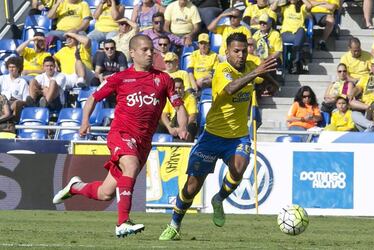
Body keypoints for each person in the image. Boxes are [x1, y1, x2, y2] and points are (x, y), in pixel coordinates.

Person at [52, 34, 189, 238]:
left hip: (143, 142)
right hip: (121, 134)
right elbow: (92, 98)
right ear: (132, 53)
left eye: (152, 49)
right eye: (145, 49)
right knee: (131, 165)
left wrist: (182, 127)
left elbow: (179, 106)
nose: (150, 53)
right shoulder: (120, 78)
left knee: (105, 193)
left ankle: (76, 187)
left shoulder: (163, 79)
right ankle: (122, 222)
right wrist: (85, 121)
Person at [158, 33, 277, 240]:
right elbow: (231, 88)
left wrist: (267, 77)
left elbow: (272, 85)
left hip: (238, 136)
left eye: (243, 51)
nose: (240, 55)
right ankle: (175, 223)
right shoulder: (223, 70)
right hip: (212, 136)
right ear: (227, 52)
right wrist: (256, 72)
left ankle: (219, 199)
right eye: (236, 51)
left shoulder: (250, 66)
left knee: (239, 168)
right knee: (192, 187)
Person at [275, 0, 312, 74]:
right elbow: (273, 8)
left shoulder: (302, 7)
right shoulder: (285, 7)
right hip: (286, 33)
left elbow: (309, 6)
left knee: (301, 30)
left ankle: (292, 63)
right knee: (298, 42)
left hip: (299, 33)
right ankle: (295, 62)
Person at [160, 77, 198, 141]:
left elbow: (193, 116)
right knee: (159, 125)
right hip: (172, 123)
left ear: (184, 88)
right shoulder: (169, 98)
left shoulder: (190, 97)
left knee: (191, 126)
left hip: (187, 123)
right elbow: (164, 115)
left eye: (180, 88)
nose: (178, 90)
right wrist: (169, 128)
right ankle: (158, 148)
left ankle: (186, 147)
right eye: (176, 88)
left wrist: (182, 128)